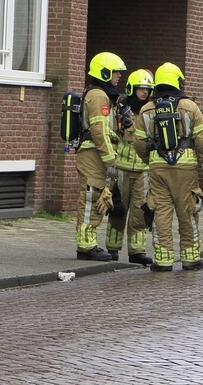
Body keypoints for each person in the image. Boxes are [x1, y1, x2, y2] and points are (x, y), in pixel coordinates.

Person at [132, 62, 203, 271]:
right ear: (178, 81)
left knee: (160, 212)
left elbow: (139, 143)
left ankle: (162, 259)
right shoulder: (189, 107)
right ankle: (190, 258)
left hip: (158, 168)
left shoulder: (146, 109)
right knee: (188, 212)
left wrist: (148, 160)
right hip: (185, 168)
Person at [75, 52, 126, 261]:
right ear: (104, 72)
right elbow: (99, 130)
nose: (119, 76)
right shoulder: (98, 96)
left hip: (98, 154)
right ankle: (85, 246)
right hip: (94, 154)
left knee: (99, 197)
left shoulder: (103, 95)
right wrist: (109, 159)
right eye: (116, 72)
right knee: (91, 197)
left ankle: (89, 243)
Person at [105, 69, 154, 265]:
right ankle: (112, 248)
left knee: (140, 212)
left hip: (143, 170)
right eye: (141, 89)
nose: (144, 93)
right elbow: (111, 135)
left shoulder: (151, 111)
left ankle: (137, 251)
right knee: (118, 209)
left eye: (148, 89)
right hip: (122, 168)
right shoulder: (119, 108)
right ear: (133, 88)